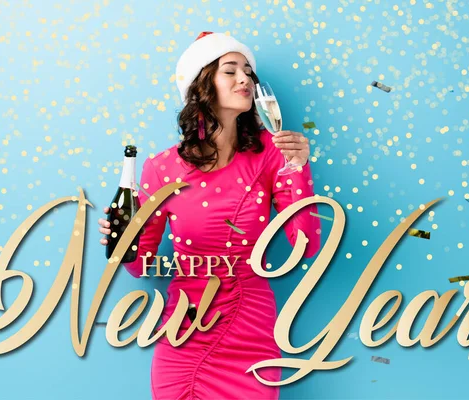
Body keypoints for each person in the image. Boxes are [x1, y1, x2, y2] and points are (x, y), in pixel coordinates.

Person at [98, 31, 321, 399]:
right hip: (185, 336)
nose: (245, 79)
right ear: (202, 85)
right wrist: (123, 242)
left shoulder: (271, 154)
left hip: (251, 333)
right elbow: (141, 267)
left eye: (248, 71)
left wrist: (298, 170)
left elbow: (306, 245)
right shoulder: (162, 168)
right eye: (230, 71)